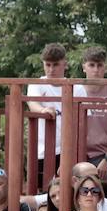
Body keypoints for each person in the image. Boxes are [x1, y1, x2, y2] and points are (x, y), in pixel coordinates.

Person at [27, 43, 67, 188]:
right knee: (42, 192)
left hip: (66, 150)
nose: (51, 69)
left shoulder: (76, 87)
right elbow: (32, 103)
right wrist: (42, 110)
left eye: (55, 65)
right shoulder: (37, 84)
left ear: (65, 64)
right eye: (47, 64)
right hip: (42, 150)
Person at [76, 46, 107, 187]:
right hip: (77, 153)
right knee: (63, 182)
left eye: (100, 65)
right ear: (84, 67)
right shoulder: (74, 91)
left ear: (106, 68)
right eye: (91, 65)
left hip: (105, 154)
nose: (96, 70)